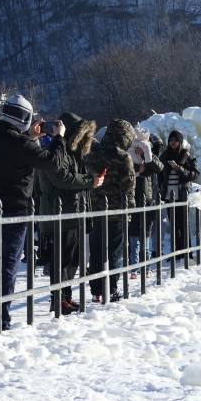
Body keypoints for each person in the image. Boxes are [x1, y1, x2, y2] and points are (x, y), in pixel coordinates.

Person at [0, 95, 66, 340]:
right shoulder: (23, 145)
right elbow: (52, 163)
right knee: (8, 266)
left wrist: (29, 138)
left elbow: (9, 150)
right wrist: (59, 138)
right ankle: (2, 320)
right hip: (14, 210)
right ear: (24, 118)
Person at [37, 112, 103, 315]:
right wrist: (89, 181)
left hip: (71, 211)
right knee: (61, 261)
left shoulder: (71, 152)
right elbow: (62, 178)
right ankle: (58, 299)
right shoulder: (57, 151)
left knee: (71, 261)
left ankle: (65, 297)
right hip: (61, 213)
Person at [86, 119, 136, 303]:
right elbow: (128, 185)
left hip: (95, 209)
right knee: (114, 251)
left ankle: (96, 290)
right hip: (116, 211)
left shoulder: (92, 152)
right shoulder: (123, 157)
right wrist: (129, 210)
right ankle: (112, 288)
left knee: (96, 251)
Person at [157, 130, 198, 263]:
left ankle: (187, 252)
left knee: (183, 224)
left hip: (182, 195)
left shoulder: (186, 156)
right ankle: (175, 253)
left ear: (180, 142)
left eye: (175, 140)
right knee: (174, 225)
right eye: (171, 140)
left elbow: (194, 174)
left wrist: (179, 169)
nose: (172, 143)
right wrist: (162, 187)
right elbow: (160, 174)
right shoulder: (164, 156)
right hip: (169, 195)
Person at [127, 137, 161, 278]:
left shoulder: (149, 157)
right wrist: (136, 169)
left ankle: (146, 266)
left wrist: (146, 154)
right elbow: (125, 172)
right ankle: (134, 268)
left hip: (148, 200)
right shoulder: (128, 157)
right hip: (132, 200)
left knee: (146, 235)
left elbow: (159, 167)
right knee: (134, 236)